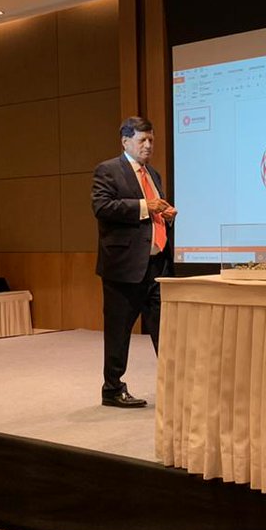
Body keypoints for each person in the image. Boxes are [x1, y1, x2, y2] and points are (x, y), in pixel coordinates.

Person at [91, 117, 177, 408]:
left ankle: (173, 386)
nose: (148, 145)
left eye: (151, 139)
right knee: (119, 331)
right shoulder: (108, 170)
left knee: (164, 330)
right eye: (142, 140)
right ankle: (112, 388)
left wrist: (164, 214)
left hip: (156, 265)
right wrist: (144, 206)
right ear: (125, 141)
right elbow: (101, 207)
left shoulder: (153, 174)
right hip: (124, 267)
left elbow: (152, 214)